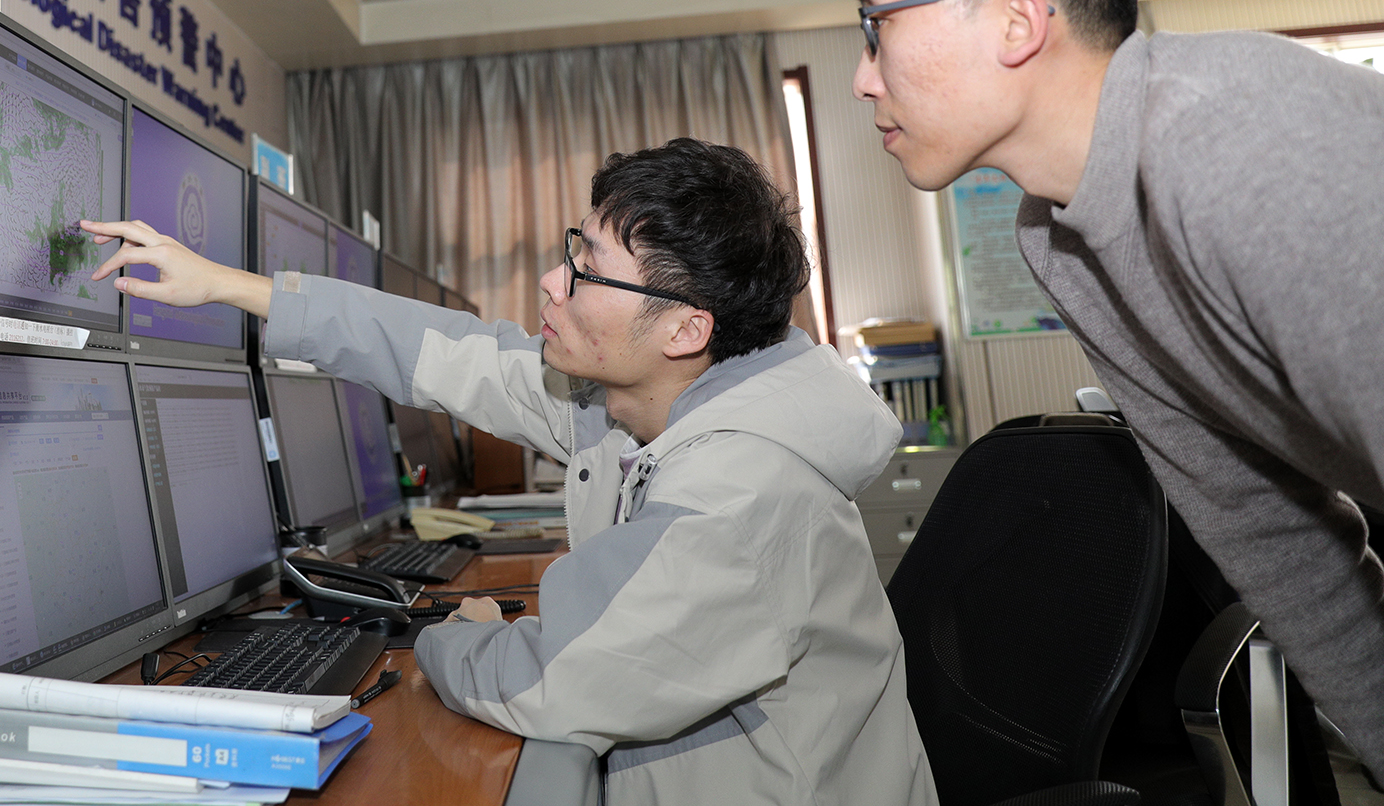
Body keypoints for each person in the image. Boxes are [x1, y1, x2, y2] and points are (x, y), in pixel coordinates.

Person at [81, 139, 935, 805]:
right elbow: (453, 354)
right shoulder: (640, 399)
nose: (552, 282)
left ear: (684, 329)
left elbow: (551, 676)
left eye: (587, 269)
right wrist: (228, 285)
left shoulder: (741, 498)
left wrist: (455, 635)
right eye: (573, 247)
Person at [852, 0, 1384, 770]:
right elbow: (1267, 529)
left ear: (1015, 22)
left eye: (877, 25)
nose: (863, 77)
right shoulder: (1059, 233)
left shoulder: (1236, 150)